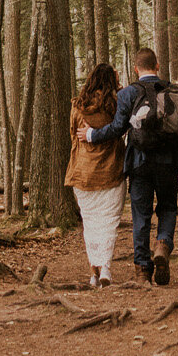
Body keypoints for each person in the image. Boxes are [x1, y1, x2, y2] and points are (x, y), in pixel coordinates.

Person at [79, 47, 178, 285]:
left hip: (139, 163)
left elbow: (117, 128)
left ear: (136, 68)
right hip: (168, 162)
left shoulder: (128, 94)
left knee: (140, 215)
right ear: (158, 66)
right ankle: (163, 244)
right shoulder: (173, 90)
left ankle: (142, 270)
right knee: (168, 209)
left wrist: (91, 135)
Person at [66, 62, 127, 289]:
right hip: (110, 172)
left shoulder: (77, 107)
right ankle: (106, 269)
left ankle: (93, 272)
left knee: (90, 224)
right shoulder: (115, 106)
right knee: (109, 223)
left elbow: (74, 136)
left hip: (83, 174)